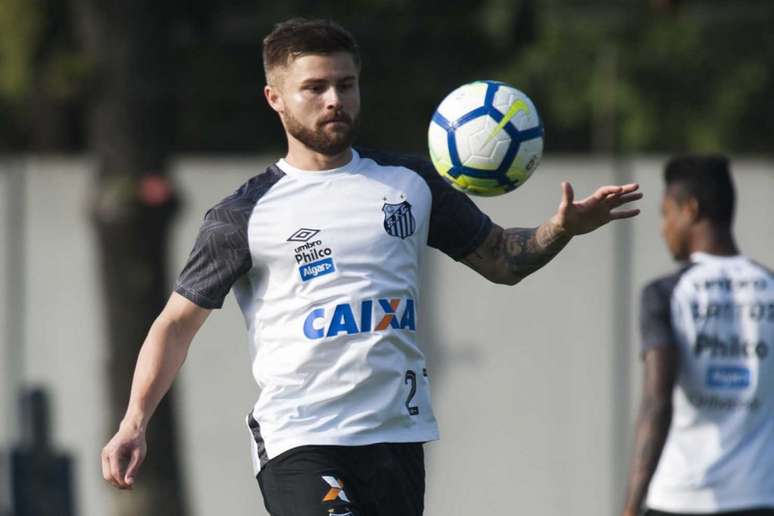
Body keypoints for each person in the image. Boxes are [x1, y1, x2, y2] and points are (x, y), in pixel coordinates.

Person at [101, 18, 641, 516]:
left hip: (396, 437)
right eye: (315, 88)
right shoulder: (243, 214)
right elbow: (174, 324)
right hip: (301, 439)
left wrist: (562, 228)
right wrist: (134, 422)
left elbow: (502, 259)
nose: (335, 100)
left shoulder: (410, 182)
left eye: (346, 84)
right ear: (276, 98)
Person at [622, 155, 774, 516]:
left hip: (680, 497)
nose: (663, 228)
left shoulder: (666, 293)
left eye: (665, 213)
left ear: (689, 209)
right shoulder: (769, 287)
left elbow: (657, 402)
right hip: (759, 495)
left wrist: (629, 506)